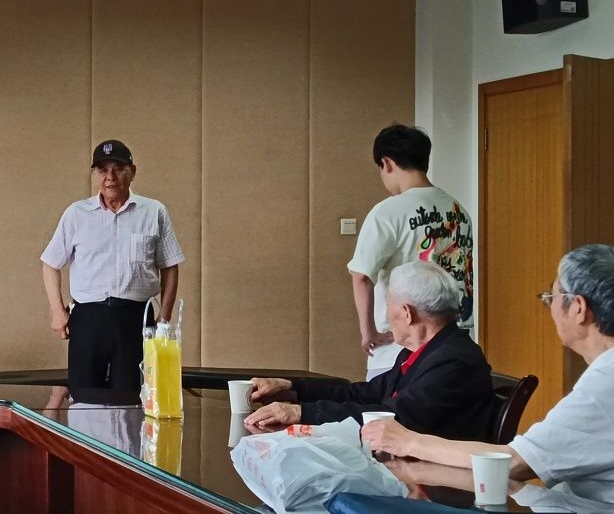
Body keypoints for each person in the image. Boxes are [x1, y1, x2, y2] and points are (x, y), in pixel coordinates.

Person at [362, 245, 614, 504]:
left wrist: (408, 442)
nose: (550, 306)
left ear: (578, 308)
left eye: (552, 296)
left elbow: (516, 463)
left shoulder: (604, 384)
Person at [245, 261, 496, 443]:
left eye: (388, 306)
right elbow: (365, 394)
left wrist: (299, 412)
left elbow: (394, 418)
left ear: (407, 313)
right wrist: (291, 388)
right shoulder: (425, 351)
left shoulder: (454, 361)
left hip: (438, 482)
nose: (385, 317)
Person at [41, 139, 184, 391]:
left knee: (134, 396)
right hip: (88, 318)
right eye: (102, 170)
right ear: (94, 174)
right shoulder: (76, 214)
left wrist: (164, 318)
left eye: (118, 168)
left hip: (136, 319)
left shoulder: (154, 211)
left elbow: (170, 266)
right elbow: (50, 263)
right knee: (84, 396)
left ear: (132, 172)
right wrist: (57, 311)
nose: (110, 177)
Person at [349, 124, 474, 380]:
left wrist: (369, 333)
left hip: (399, 351)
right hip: (454, 344)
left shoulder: (388, 212)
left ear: (387, 163)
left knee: (387, 407)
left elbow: (361, 276)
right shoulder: (459, 211)